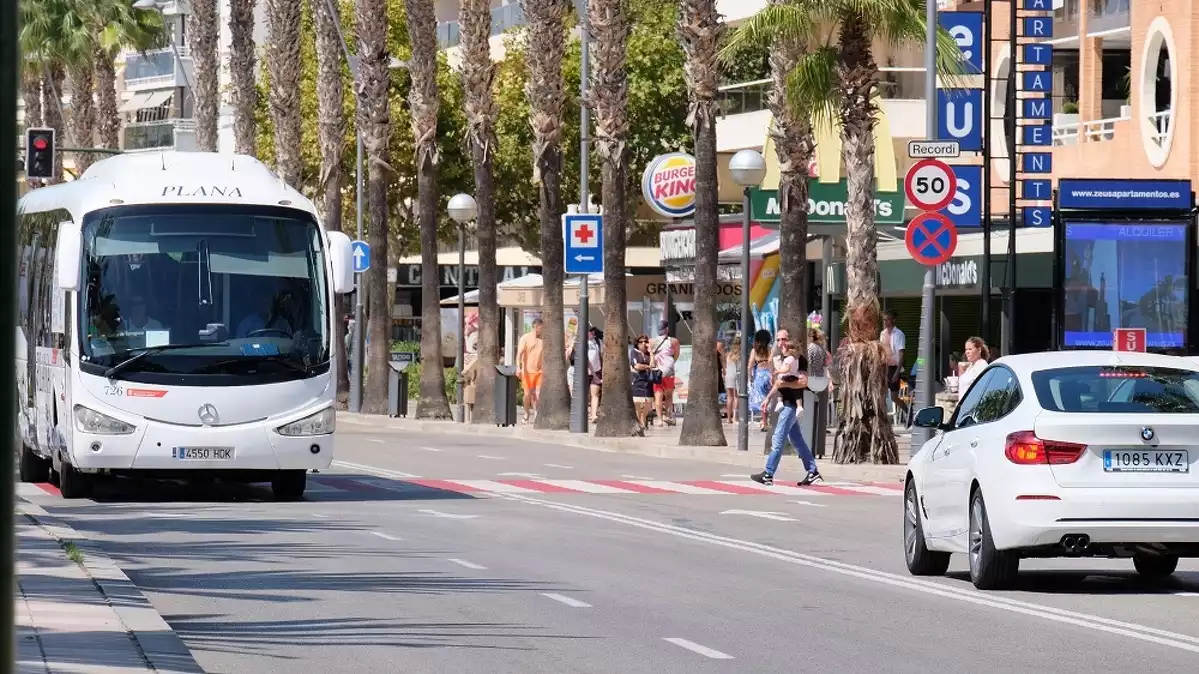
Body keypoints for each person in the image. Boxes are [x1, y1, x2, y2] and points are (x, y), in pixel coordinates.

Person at [752, 340, 823, 487]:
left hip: (790, 405)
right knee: (797, 440)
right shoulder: (783, 360)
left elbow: (803, 383)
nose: (781, 344)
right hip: (786, 404)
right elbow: (778, 383)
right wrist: (768, 398)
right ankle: (812, 471)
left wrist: (784, 384)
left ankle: (768, 474)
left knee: (778, 440)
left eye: (784, 341)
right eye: (778, 341)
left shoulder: (799, 360)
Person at [651, 320, 680, 426]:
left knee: (657, 395)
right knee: (669, 395)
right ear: (667, 329)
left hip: (656, 371)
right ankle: (668, 416)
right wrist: (670, 363)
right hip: (669, 371)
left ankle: (659, 419)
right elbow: (676, 355)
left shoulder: (652, 341)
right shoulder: (674, 341)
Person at [516, 318, 545, 423]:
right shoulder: (525, 338)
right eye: (541, 328)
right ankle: (527, 413)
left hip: (539, 372)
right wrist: (518, 367)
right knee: (528, 394)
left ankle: (536, 414)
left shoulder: (543, 340)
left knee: (537, 393)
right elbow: (519, 354)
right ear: (536, 327)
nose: (542, 330)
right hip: (527, 372)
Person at [880, 309, 907, 420]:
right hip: (884, 366)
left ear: (893, 320)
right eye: (884, 320)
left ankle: (908, 412)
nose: (885, 322)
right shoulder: (882, 333)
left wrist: (897, 372)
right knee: (881, 394)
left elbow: (901, 354)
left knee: (894, 397)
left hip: (894, 367)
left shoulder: (899, 334)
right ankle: (883, 418)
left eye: (888, 320)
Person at [747, 329, 773, 432]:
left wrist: (750, 378)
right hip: (769, 374)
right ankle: (770, 420)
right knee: (769, 398)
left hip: (760, 375)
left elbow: (749, 365)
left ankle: (764, 422)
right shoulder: (770, 349)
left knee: (762, 400)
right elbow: (771, 362)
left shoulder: (755, 351)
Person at [630, 334, 655, 429]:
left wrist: (651, 352)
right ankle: (640, 422)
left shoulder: (649, 354)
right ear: (637, 343)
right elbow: (637, 366)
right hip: (637, 380)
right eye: (641, 342)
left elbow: (653, 364)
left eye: (646, 341)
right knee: (637, 403)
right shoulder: (634, 352)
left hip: (648, 381)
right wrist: (648, 367)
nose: (644, 343)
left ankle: (642, 419)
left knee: (648, 404)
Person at [724, 335, 742, 424]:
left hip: (728, 376)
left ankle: (728, 418)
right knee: (736, 397)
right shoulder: (740, 354)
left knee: (729, 397)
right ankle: (735, 417)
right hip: (736, 376)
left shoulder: (728, 354)